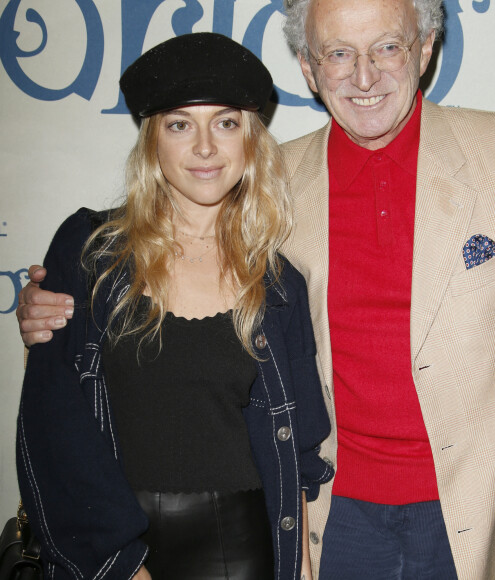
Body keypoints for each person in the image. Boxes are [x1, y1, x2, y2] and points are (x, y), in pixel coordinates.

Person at [16, 0, 495, 579]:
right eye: (338, 53)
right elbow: (159, 246)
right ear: (309, 69)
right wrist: (56, 302)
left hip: (478, 512)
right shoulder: (265, 185)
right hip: (327, 519)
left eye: (387, 46)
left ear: (426, 49)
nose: (365, 77)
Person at [15, 32, 334, 580]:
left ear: (251, 141)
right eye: (180, 124)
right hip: (111, 545)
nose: (205, 147)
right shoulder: (91, 254)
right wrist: (120, 565)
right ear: (152, 142)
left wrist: (301, 568)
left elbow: (296, 455)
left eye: (226, 122)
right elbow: (54, 427)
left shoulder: (279, 285)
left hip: (242, 551)